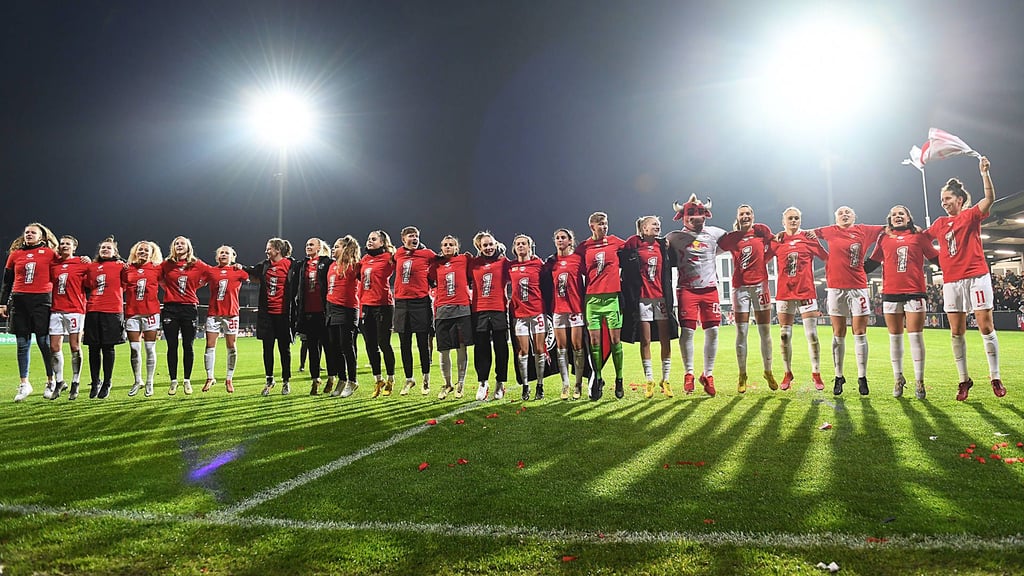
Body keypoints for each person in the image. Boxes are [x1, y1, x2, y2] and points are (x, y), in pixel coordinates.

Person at [923, 156, 1005, 400]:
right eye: (942, 200)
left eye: (948, 198)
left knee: (985, 326)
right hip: (951, 282)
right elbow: (922, 240)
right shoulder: (939, 223)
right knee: (956, 331)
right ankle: (964, 380)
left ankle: (995, 376)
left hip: (976, 276)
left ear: (959, 199)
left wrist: (984, 173)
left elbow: (989, 199)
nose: (944, 203)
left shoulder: (970, 216)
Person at [864, 206, 938, 399]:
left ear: (908, 218)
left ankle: (919, 381)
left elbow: (937, 259)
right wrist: (847, 267)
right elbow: (871, 263)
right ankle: (898, 378)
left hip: (915, 292)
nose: (897, 216)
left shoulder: (919, 237)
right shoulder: (884, 238)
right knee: (895, 338)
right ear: (889, 219)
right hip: (890, 293)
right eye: (894, 214)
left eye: (901, 214)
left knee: (915, 337)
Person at [812, 207, 884, 395]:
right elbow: (807, 234)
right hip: (835, 288)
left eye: (848, 212)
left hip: (858, 287)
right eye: (840, 213)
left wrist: (911, 228)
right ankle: (838, 376)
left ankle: (862, 377)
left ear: (854, 216)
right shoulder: (829, 231)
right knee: (838, 333)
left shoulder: (864, 230)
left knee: (859, 332)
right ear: (836, 218)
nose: (844, 214)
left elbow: (887, 229)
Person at [666, 196, 727, 397]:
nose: (696, 218)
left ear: (706, 215)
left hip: (710, 289)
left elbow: (734, 243)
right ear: (682, 217)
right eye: (691, 215)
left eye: (700, 214)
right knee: (688, 332)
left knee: (713, 332)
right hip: (687, 289)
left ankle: (708, 375)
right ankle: (689, 373)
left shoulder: (716, 233)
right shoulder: (674, 237)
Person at [718, 205, 778, 393]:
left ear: (753, 216)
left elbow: (776, 244)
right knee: (741, 332)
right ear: (737, 217)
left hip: (760, 286)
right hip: (740, 288)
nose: (745, 216)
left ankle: (768, 371)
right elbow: (713, 249)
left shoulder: (762, 231)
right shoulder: (731, 238)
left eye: (748, 213)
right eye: (742, 214)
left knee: (765, 332)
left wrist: (765, 259)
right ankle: (742, 374)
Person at [1, 223, 59, 402]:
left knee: (43, 342)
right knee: (22, 343)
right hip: (20, 301)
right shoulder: (15, 255)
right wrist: (2, 303)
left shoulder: (50, 253)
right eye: (27, 232)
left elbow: (66, 268)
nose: (29, 234)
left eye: (33, 232)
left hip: (42, 300)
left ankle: (51, 381)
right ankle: (24, 383)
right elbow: (7, 281)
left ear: (42, 236)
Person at [771, 208, 828, 391]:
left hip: (806, 292)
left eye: (796, 218)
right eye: (790, 218)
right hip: (785, 293)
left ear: (800, 220)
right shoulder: (778, 241)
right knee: (784, 335)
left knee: (811, 334)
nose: (793, 220)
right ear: (783, 221)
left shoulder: (808, 238)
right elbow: (762, 256)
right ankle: (788, 373)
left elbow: (827, 257)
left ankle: (816, 373)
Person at [621, 217, 677, 398]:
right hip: (643, 299)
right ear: (644, 228)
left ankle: (666, 379)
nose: (657, 226)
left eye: (658, 224)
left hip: (661, 298)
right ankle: (649, 379)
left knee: (664, 338)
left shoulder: (663, 246)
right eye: (653, 224)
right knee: (644, 340)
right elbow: (621, 256)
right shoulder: (634, 244)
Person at [577, 212, 626, 400]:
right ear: (592, 227)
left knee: (615, 342)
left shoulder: (614, 241)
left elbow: (633, 246)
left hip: (612, 299)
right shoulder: (584, 247)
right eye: (601, 225)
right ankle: (597, 378)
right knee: (595, 343)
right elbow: (574, 264)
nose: (604, 227)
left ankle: (619, 379)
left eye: (606, 224)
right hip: (592, 300)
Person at [245, 237, 298, 395]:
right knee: (267, 348)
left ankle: (286, 381)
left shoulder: (291, 265)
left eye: (269, 248)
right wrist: (237, 266)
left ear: (277, 250)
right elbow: (250, 271)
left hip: (283, 315)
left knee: (284, 349)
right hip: (267, 315)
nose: (266, 251)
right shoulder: (264, 265)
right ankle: (269, 380)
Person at [160, 236, 210, 395]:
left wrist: (199, 284)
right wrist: (166, 288)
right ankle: (173, 381)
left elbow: (211, 273)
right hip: (170, 308)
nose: (179, 245)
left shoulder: (196, 263)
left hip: (189, 307)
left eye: (182, 243)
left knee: (188, 345)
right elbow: (156, 275)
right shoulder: (166, 264)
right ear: (173, 247)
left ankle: (187, 381)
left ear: (188, 247)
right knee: (172, 346)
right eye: (176, 243)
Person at [544, 228, 588, 400]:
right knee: (561, 348)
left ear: (570, 241)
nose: (560, 240)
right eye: (557, 238)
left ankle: (578, 384)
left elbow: (591, 275)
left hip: (576, 309)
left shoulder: (578, 259)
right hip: (558, 310)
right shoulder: (551, 262)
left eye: (563, 237)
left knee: (577, 347)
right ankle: (565, 384)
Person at [428, 235, 472, 399]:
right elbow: (429, 279)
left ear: (456, 247)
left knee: (461, 347)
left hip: (461, 309)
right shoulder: (436, 264)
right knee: (443, 349)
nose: (447, 247)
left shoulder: (464, 259)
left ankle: (460, 383)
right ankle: (447, 384)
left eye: (451, 244)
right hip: (442, 310)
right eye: (445, 244)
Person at [201, 245, 250, 393]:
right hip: (214, 313)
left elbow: (252, 277)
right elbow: (199, 282)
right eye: (221, 252)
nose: (223, 254)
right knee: (210, 345)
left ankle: (229, 379)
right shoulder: (211, 271)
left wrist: (243, 267)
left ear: (232, 257)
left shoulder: (238, 271)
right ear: (217, 257)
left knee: (231, 346)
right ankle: (210, 378)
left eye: (226, 253)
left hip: (231, 314)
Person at [393, 226, 435, 395]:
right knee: (404, 344)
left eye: (416, 235)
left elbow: (442, 262)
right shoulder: (397, 254)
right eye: (411, 236)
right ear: (404, 239)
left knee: (422, 343)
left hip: (420, 302)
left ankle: (426, 379)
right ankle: (409, 379)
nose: (414, 238)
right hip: (402, 303)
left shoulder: (427, 254)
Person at [83, 237, 127, 399]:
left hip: (112, 311)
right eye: (103, 248)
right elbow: (86, 285)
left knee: (108, 348)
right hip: (93, 309)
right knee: (93, 348)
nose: (105, 250)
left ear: (115, 251)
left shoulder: (120, 266)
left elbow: (129, 282)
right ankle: (95, 382)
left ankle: (107, 382)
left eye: (109, 248)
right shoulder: (92, 267)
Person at [468, 231, 510, 401]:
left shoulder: (503, 262)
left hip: (499, 309)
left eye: (491, 244)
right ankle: (483, 382)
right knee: (482, 349)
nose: (488, 247)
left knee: (501, 349)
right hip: (479, 311)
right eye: (485, 245)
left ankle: (500, 382)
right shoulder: (473, 263)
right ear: (479, 247)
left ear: (495, 243)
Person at [47, 235, 90, 399]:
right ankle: (59, 382)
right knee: (54, 347)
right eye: (62, 243)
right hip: (56, 310)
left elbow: (94, 278)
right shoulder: (53, 264)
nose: (64, 245)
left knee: (75, 347)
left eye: (68, 244)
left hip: (75, 310)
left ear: (74, 247)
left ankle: (75, 382)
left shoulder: (81, 263)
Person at [509, 234, 548, 400]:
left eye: (523, 243)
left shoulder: (539, 264)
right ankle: (525, 386)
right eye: (517, 244)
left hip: (537, 311)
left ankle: (540, 385)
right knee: (523, 351)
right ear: (514, 247)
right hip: (520, 314)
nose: (520, 246)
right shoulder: (510, 266)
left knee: (539, 349)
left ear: (530, 246)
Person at [294, 238, 336, 395]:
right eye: (306, 245)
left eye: (311, 244)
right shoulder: (303, 265)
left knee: (328, 347)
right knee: (312, 348)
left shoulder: (328, 262)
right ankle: (315, 379)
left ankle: (331, 377)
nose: (308, 247)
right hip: (308, 313)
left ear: (319, 247)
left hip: (324, 313)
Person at [360, 230, 398, 397]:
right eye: (368, 238)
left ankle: (390, 379)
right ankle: (378, 380)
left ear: (382, 242)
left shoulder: (389, 257)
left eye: (373, 239)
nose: (369, 241)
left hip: (383, 305)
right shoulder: (365, 259)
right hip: (366, 305)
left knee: (384, 343)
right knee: (370, 345)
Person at [123, 240, 164, 398]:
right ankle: (137, 380)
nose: (143, 252)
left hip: (151, 312)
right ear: (135, 252)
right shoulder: (127, 269)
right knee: (134, 348)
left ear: (152, 253)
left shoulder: (157, 268)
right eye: (140, 250)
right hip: (132, 313)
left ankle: (149, 381)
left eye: (146, 250)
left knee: (149, 348)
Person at [325, 236, 361, 398]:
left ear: (346, 249)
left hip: (347, 309)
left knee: (346, 346)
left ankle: (352, 381)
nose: (334, 249)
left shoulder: (354, 266)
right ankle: (342, 379)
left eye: (337, 246)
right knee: (334, 348)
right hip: (331, 309)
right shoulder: (332, 265)